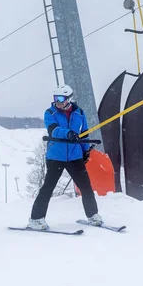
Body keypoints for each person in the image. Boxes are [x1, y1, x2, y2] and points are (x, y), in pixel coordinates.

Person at [28, 85, 103, 230]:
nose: (57, 102)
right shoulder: (50, 113)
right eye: (55, 98)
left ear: (69, 99)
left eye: (61, 98)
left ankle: (93, 216)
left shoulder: (79, 113)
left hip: (74, 156)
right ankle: (36, 219)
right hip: (56, 155)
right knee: (48, 188)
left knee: (86, 187)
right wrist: (68, 133)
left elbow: (84, 134)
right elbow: (53, 130)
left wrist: (84, 151)